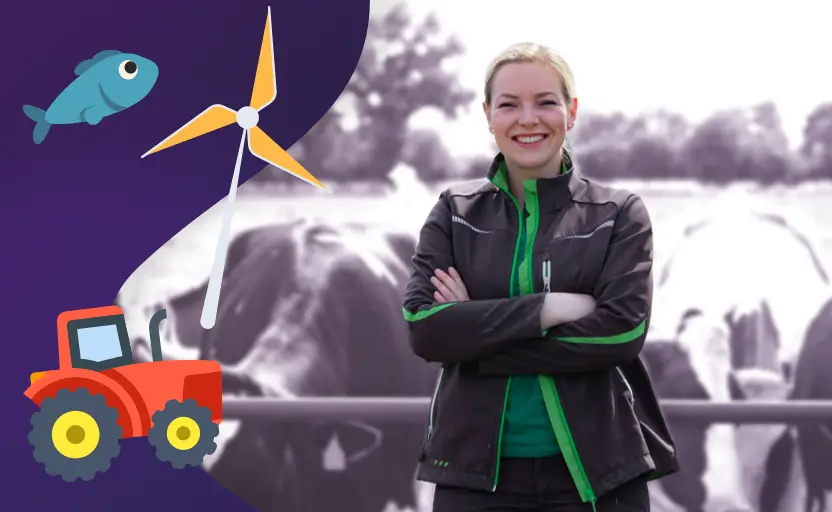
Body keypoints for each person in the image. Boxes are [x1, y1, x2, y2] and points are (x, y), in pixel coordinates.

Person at [402, 42, 680, 511]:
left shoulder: (618, 213)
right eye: (508, 105)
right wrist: (548, 309)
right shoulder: (455, 211)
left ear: (570, 112)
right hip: (472, 478)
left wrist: (476, 334)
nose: (528, 118)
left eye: (546, 102)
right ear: (488, 116)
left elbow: (621, 333)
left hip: (599, 475)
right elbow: (425, 330)